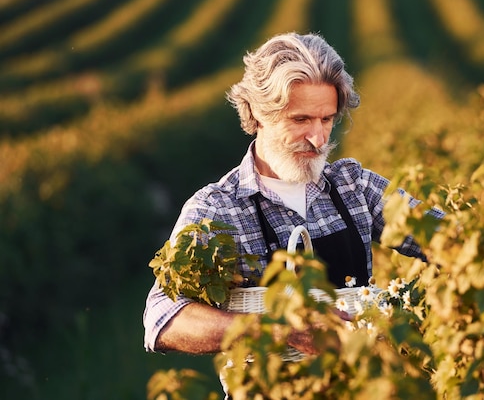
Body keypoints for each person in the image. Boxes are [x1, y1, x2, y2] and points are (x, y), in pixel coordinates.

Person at [143, 32, 443, 356]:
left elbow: (449, 240)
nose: (318, 139)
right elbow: (163, 320)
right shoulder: (219, 209)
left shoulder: (353, 186)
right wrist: (279, 330)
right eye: (300, 119)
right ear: (258, 114)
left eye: (326, 119)